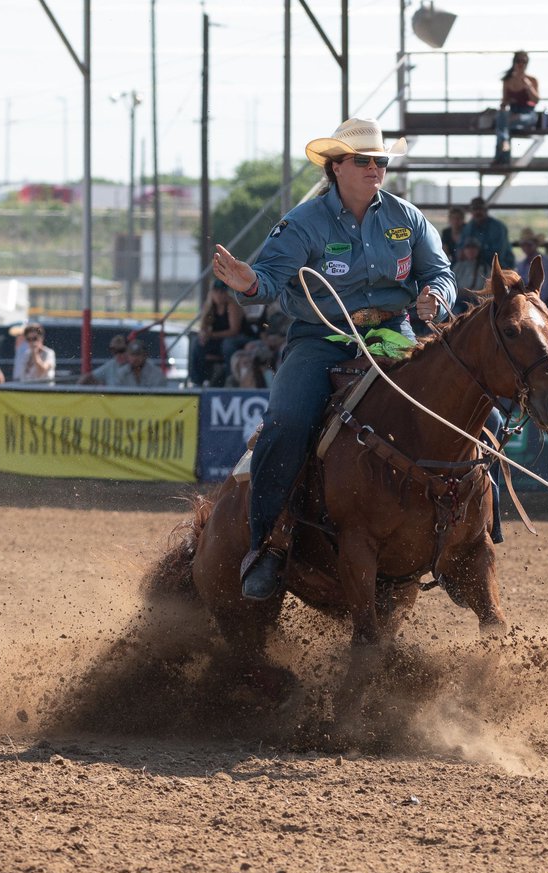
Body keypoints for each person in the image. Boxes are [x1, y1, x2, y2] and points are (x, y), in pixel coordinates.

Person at [211, 117, 454, 601]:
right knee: (286, 423)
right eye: (363, 161)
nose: (375, 168)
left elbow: (441, 272)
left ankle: (473, 535)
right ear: (336, 167)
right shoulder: (303, 222)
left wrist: (436, 296)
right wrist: (249, 284)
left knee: (475, 413)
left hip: (394, 334)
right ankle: (268, 546)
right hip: (321, 339)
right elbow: (270, 277)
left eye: (380, 161)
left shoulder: (409, 218)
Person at [190, 280, 246, 386]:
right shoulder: (209, 306)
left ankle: (230, 378)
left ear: (226, 293)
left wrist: (211, 335)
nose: (219, 295)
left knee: (228, 344)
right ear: (212, 293)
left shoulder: (232, 305)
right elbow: (203, 327)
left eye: (222, 292)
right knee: (197, 343)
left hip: (237, 338)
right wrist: (203, 335)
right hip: (219, 339)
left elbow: (234, 331)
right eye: (216, 292)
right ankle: (197, 380)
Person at [493, 51, 540, 167]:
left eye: (524, 62)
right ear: (514, 62)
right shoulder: (507, 80)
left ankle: (502, 159)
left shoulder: (531, 80)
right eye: (518, 61)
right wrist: (505, 105)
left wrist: (528, 86)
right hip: (512, 114)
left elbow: (536, 101)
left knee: (502, 128)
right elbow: (504, 101)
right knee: (503, 126)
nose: (521, 64)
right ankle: (504, 152)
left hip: (528, 114)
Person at [462, 196, 515, 270]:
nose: (477, 212)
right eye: (475, 209)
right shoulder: (468, 227)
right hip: (477, 269)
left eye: (480, 209)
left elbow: (498, 255)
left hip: (501, 268)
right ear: (471, 211)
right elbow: (462, 248)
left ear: (486, 210)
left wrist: (475, 254)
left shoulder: (497, 227)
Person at [516, 228, 548, 307]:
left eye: (529, 245)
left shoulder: (546, 263)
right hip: (529, 301)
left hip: (545, 302)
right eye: (523, 245)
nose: (526, 247)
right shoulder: (521, 265)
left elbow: (546, 289)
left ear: (535, 245)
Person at [452, 236, 488, 312]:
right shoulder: (458, 267)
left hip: (478, 303)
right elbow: (451, 286)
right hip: (459, 301)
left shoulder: (485, 268)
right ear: (463, 250)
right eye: (468, 247)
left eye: (474, 247)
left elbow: (489, 290)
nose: (471, 250)